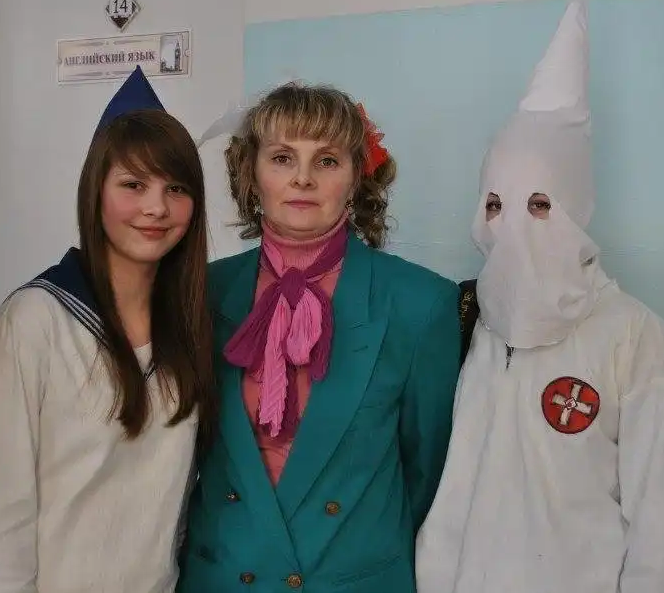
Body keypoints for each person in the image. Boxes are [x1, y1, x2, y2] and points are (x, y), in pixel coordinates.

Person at [415, 0, 664, 593]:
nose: (514, 227)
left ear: (573, 206)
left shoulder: (634, 337)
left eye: (539, 205)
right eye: (496, 205)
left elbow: (662, 526)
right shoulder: (467, 324)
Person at [179, 82, 460, 592]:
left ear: (356, 178)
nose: (303, 178)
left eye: (327, 161)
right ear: (251, 174)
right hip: (224, 575)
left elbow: (426, 472)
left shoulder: (422, 303)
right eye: (282, 158)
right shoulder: (201, 293)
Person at [0, 67, 217, 593]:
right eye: (133, 184)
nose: (156, 207)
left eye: (175, 188)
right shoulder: (33, 321)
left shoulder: (189, 327)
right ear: (95, 191)